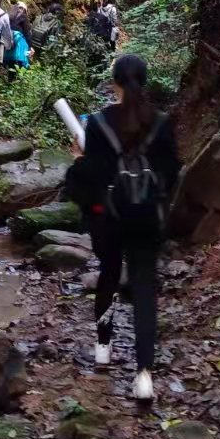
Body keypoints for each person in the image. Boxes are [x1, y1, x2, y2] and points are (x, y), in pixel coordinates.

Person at [61, 53, 180, 403]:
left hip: (108, 218)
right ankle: (144, 376)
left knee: (109, 276)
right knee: (144, 292)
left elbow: (91, 176)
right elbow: (171, 174)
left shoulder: (97, 123)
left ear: (114, 82)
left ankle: (103, 347)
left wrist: (80, 164)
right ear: (144, 82)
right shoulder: (161, 122)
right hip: (145, 219)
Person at [5, 1, 33, 78]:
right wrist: (30, 47)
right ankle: (20, 81)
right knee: (21, 64)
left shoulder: (8, 16)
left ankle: (10, 81)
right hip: (19, 45)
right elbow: (27, 33)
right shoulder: (23, 17)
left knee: (11, 64)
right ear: (24, 10)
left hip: (9, 44)